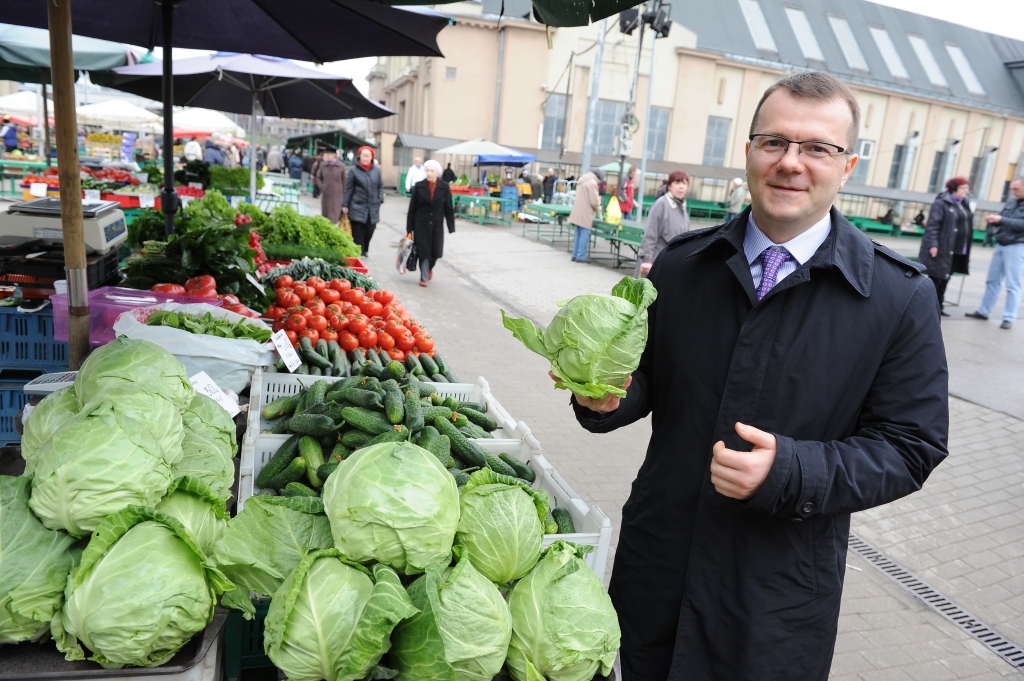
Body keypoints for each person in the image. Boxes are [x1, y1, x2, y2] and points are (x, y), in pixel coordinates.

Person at [566, 72, 947, 680]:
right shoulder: (684, 265)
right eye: (774, 142)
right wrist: (607, 398)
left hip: (775, 590)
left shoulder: (897, 298)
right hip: (658, 564)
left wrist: (792, 471)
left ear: (845, 168)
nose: (791, 163)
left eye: (817, 148)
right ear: (748, 153)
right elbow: (647, 383)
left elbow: (912, 446)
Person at [965, 177, 1024, 329]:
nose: (1013, 192)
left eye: (1017, 189)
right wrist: (993, 221)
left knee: (1013, 284)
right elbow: (1001, 217)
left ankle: (1009, 317)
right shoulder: (1012, 202)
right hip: (1001, 243)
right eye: (1012, 188)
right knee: (992, 281)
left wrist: (1001, 220)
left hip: (1017, 246)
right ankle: (984, 311)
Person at [918, 177, 973, 317]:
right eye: (963, 188)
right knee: (936, 277)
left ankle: (939, 305)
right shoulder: (941, 203)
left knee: (946, 277)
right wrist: (933, 244)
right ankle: (930, 306)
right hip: (943, 247)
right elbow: (933, 226)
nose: (966, 191)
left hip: (958, 248)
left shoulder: (964, 203)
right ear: (954, 188)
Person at [407, 159, 455, 287]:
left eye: (432, 171)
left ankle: (429, 268)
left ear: (437, 173)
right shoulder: (419, 186)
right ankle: (423, 277)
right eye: (427, 170)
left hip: (437, 224)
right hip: (420, 224)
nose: (429, 173)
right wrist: (409, 229)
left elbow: (449, 207)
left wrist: (451, 226)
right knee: (423, 251)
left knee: (436, 252)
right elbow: (412, 208)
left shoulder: (444, 187)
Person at [634, 170, 691, 278]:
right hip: (655, 263)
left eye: (684, 183)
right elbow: (650, 234)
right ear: (669, 186)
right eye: (677, 183)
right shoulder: (661, 204)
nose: (681, 187)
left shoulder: (682, 207)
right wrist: (647, 259)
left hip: (671, 264)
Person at [343, 146, 384, 256]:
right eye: (363, 156)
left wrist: (380, 198)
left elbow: (380, 186)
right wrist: (345, 204)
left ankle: (365, 248)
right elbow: (349, 188)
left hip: (372, 206)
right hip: (357, 205)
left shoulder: (377, 170)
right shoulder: (353, 170)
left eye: (368, 156)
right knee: (358, 230)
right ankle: (359, 251)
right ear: (360, 156)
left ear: (371, 157)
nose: (365, 158)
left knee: (370, 229)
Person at [568, 169, 604, 263]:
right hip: (585, 212)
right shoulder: (592, 183)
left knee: (578, 234)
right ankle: (581, 256)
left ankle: (575, 254)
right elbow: (593, 201)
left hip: (578, 210)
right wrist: (598, 207)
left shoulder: (582, 180)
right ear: (599, 178)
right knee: (584, 234)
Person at [316, 146, 346, 223]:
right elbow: (318, 177)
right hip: (326, 195)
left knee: (334, 217)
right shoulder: (323, 165)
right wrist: (322, 186)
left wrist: (344, 195)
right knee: (325, 216)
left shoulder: (341, 166)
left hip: (337, 196)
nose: (327, 156)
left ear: (334, 155)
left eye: (329, 154)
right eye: (326, 154)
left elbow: (344, 181)